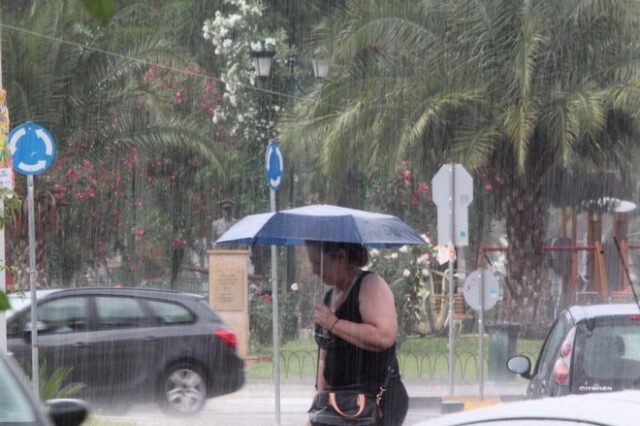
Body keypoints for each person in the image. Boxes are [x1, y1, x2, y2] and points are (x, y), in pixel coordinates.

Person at [306, 240, 408, 426]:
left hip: (372, 404)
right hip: (339, 404)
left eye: (317, 264)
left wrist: (334, 323)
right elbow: (324, 355)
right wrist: (320, 402)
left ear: (341, 258)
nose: (314, 271)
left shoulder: (371, 285)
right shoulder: (330, 297)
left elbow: (384, 336)